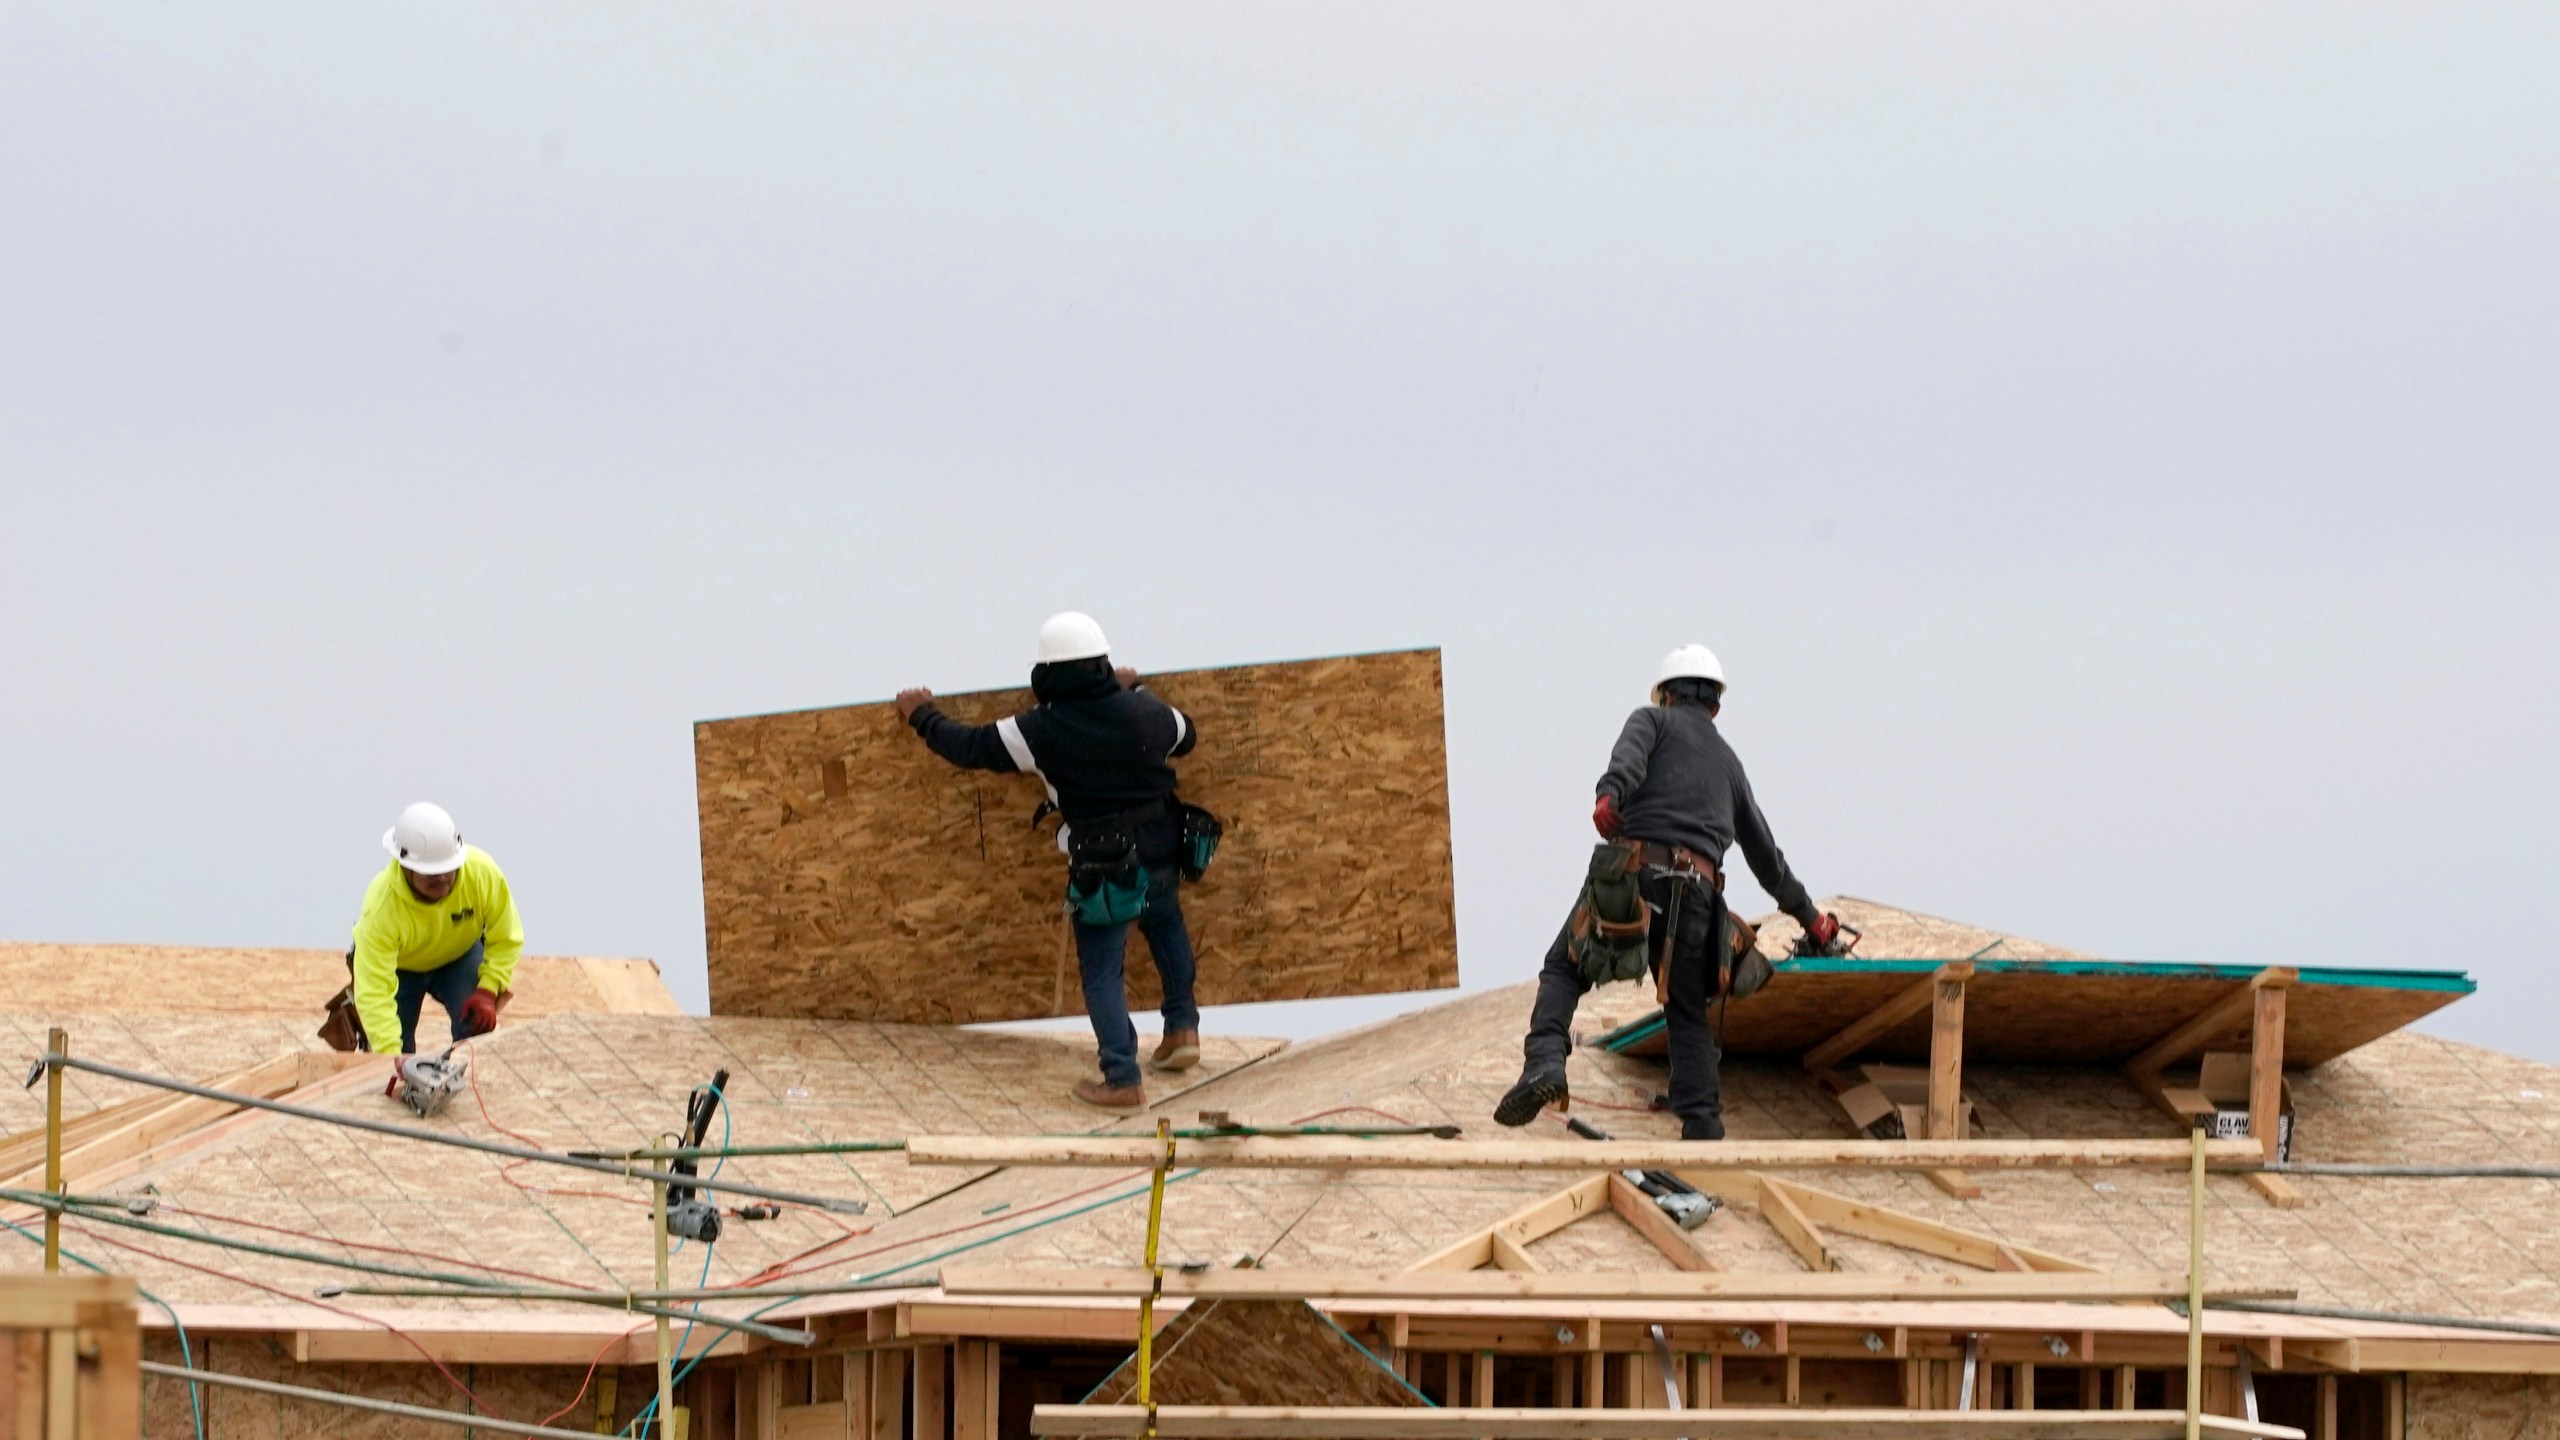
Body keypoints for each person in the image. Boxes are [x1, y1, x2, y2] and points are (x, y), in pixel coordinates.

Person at [1495, 645, 1846, 1140]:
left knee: (1564, 967)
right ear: (1716, 707)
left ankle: (1544, 1065)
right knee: (1685, 1010)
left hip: (1635, 877)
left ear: (1664, 695)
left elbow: (1627, 761)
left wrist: (1608, 795)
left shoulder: (1651, 722)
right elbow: (1768, 860)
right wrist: (1813, 920)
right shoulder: (1731, 767)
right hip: (1700, 894)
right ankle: (1703, 1128)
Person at [896, 612, 1202, 1110]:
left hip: (1106, 865)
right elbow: (1186, 736)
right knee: (1166, 927)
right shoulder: (1145, 713)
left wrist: (921, 715)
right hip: (1164, 846)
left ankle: (1122, 1078)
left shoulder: (1039, 729)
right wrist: (1137, 689)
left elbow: (970, 747)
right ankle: (1182, 1031)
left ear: (1047, 674)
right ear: (1101, 663)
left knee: (1103, 971)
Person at [349, 802, 523, 1070]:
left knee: (476, 1029)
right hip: (399, 972)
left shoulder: (481, 873)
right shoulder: (382, 908)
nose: (442, 878)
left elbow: (507, 937)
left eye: (448, 868)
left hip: (458, 958)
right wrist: (391, 1060)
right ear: (405, 865)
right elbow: (374, 993)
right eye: (430, 873)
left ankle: (467, 1081)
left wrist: (489, 989)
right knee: (394, 1056)